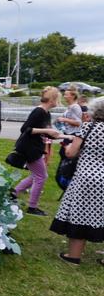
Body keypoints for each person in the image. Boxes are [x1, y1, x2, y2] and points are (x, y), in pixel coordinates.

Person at [50, 97, 104, 265]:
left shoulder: (87, 128)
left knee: (80, 214)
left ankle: (73, 256)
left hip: (85, 178)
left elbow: (71, 153)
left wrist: (66, 147)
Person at [12, 87, 64, 216]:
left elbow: (50, 133)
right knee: (41, 176)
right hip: (29, 149)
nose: (59, 101)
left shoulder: (46, 113)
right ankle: (32, 207)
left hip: (36, 148)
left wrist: (68, 137)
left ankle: (13, 193)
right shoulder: (39, 112)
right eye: (58, 99)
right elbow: (25, 129)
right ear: (52, 99)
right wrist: (46, 131)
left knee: (36, 175)